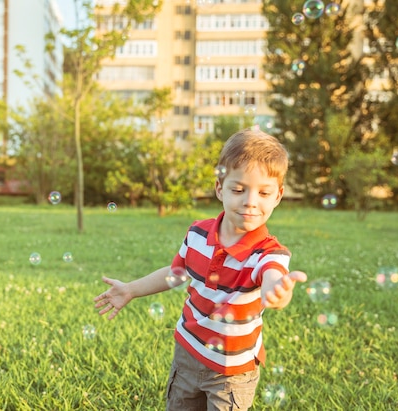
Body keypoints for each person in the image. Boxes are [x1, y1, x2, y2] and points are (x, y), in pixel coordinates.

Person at [94, 128, 308, 411]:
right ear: (220, 188)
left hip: (231, 373)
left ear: (278, 196)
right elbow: (176, 273)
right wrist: (131, 289)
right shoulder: (197, 233)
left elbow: (273, 276)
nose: (250, 201)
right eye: (238, 189)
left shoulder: (268, 253)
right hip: (187, 354)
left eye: (264, 192)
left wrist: (277, 293)